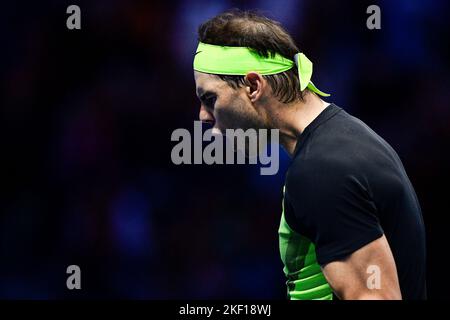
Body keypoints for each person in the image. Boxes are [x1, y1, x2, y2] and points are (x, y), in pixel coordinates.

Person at [192, 9, 426, 300]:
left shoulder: (321, 171)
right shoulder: (346, 140)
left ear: (253, 86)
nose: (202, 116)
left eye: (210, 98)